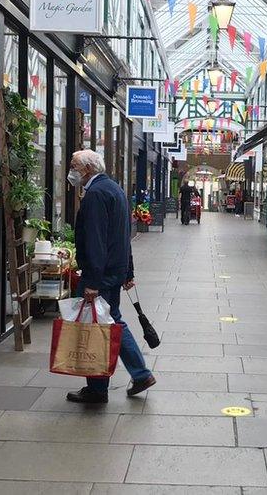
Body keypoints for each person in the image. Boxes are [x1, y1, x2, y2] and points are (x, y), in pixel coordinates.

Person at [65, 150, 155, 403]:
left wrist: (92, 282)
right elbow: (122, 236)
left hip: (100, 275)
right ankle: (123, 379)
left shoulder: (95, 195)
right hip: (113, 271)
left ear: (87, 169)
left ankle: (112, 383)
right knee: (106, 323)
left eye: (74, 166)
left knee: (101, 326)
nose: (71, 171)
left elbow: (96, 241)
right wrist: (128, 270)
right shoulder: (115, 189)